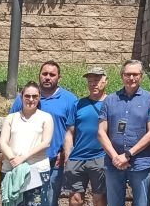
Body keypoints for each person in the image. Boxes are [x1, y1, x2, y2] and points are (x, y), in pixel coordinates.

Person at [11, 61, 78, 206]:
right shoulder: (25, 97)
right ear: (39, 75)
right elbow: (12, 126)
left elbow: (71, 131)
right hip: (25, 161)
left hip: (54, 161)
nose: (48, 77)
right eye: (44, 74)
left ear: (59, 77)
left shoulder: (70, 100)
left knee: (48, 201)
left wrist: (66, 154)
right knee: (23, 201)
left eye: (52, 75)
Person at [98, 60, 150, 206]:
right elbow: (101, 132)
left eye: (135, 74)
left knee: (141, 203)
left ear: (141, 76)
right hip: (113, 163)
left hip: (141, 162)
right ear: (122, 76)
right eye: (128, 74)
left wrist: (127, 155)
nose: (131, 78)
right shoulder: (110, 100)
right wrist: (115, 157)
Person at [1, 81, 53, 206]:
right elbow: (3, 142)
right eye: (27, 96)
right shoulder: (11, 118)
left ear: (39, 97)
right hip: (11, 169)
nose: (31, 99)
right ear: (22, 97)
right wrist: (13, 159)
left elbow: (46, 143)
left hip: (37, 169)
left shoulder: (46, 117)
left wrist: (23, 158)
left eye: (35, 96)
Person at [63, 66, 110, 206]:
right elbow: (70, 132)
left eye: (97, 80)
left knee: (99, 199)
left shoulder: (112, 103)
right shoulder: (78, 104)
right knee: (75, 199)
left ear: (106, 81)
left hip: (100, 157)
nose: (93, 84)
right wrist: (68, 155)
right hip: (77, 158)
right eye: (90, 81)